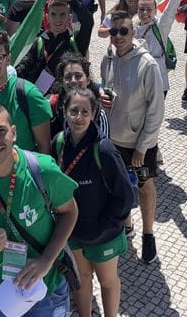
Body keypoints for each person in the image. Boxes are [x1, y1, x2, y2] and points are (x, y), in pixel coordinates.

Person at [0, 102, 79, 317]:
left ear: (14, 133)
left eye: (1, 131)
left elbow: (70, 211)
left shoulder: (42, 170)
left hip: (44, 289)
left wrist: (45, 262)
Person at [48, 70, 134, 317]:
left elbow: (125, 197)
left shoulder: (104, 150)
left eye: (85, 111)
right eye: (74, 111)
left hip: (103, 234)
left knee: (107, 281)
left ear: (94, 114)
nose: (79, 117)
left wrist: (102, 228)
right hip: (72, 232)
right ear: (65, 111)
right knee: (82, 279)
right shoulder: (59, 144)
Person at [93, 9, 166, 265]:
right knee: (117, 187)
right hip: (113, 139)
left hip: (138, 143)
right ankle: (127, 224)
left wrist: (143, 147)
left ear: (133, 32)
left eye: (124, 31)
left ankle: (148, 236)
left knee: (145, 188)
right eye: (114, 31)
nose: (119, 36)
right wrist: (102, 95)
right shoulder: (108, 57)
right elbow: (105, 85)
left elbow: (157, 110)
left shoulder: (147, 64)